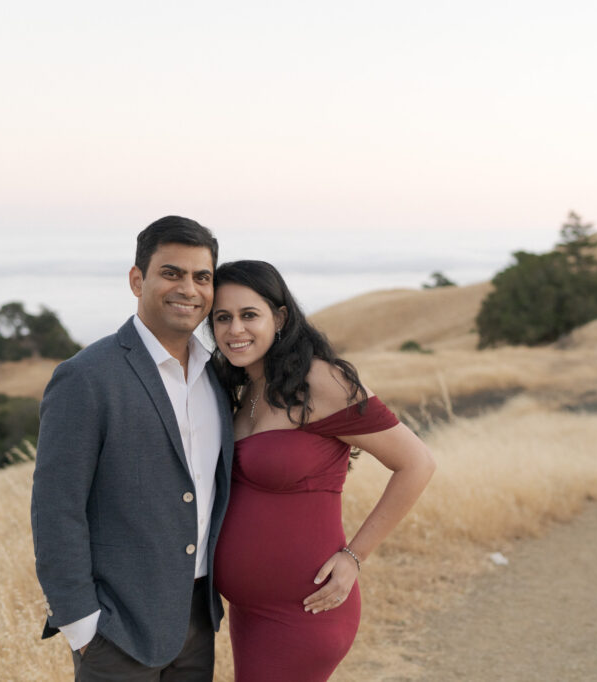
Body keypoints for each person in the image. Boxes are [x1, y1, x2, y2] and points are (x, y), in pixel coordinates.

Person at [207, 260, 436, 681]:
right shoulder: (245, 390)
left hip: (305, 609)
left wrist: (354, 556)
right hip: (248, 611)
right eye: (222, 318)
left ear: (279, 317)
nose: (234, 329)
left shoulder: (320, 381)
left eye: (248, 315)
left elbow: (416, 463)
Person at [31, 216, 235, 681]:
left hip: (199, 619)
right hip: (116, 631)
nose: (189, 288)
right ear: (137, 279)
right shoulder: (86, 377)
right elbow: (56, 510)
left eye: (202, 277)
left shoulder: (218, 376)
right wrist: (83, 627)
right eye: (172, 273)